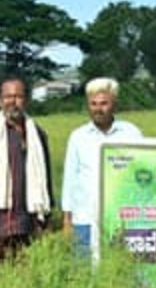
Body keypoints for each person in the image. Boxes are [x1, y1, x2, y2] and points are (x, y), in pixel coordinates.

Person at [0, 77, 54, 261]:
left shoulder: (37, 134)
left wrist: (47, 224)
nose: (12, 101)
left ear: (26, 100)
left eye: (18, 96)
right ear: (0, 101)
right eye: (8, 96)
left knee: (30, 271)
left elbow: (46, 181)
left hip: (29, 224)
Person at [61, 77, 143, 258]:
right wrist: (67, 220)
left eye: (104, 103)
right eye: (93, 104)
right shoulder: (78, 137)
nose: (98, 109)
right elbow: (70, 180)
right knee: (83, 269)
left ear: (114, 104)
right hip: (85, 219)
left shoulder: (131, 133)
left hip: (121, 220)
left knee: (118, 267)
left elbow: (141, 172)